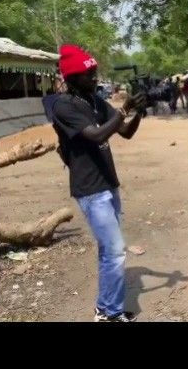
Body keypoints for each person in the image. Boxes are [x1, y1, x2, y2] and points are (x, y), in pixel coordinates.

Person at [51, 44, 146, 322]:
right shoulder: (64, 105)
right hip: (90, 188)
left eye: (94, 73)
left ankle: (105, 310)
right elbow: (95, 135)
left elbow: (124, 131)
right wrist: (124, 109)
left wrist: (138, 111)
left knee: (109, 252)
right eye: (88, 74)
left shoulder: (93, 101)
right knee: (115, 252)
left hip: (107, 182)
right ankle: (111, 313)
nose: (94, 78)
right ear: (72, 79)